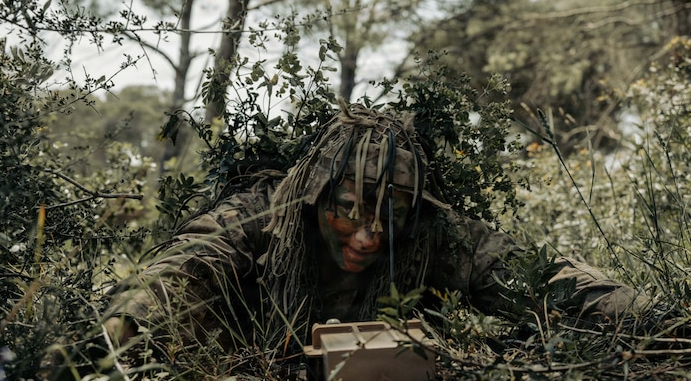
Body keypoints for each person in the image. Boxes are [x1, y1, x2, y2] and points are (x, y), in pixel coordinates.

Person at [103, 102, 655, 365]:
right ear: (315, 198)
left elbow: (535, 276)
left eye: (390, 217)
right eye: (349, 212)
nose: (368, 238)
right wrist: (120, 331)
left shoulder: (434, 233)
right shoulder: (264, 212)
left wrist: (643, 315)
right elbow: (186, 265)